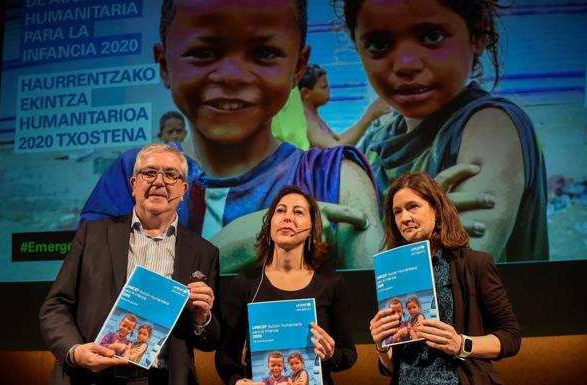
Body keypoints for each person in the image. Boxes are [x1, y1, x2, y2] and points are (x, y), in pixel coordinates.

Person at [80, 0, 383, 273]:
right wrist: (221, 254)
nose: (232, 75)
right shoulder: (130, 176)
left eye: (264, 53)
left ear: (297, 68)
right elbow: (93, 301)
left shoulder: (335, 178)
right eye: (203, 53)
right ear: (164, 65)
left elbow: (382, 298)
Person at [337, 0, 549, 262]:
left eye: (432, 37)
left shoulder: (491, 128)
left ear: (478, 35)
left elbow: (456, 278)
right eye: (378, 45)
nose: (406, 64)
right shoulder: (376, 141)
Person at [39, 144, 220, 385]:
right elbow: (55, 306)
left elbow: (210, 339)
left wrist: (202, 318)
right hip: (91, 377)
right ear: (134, 185)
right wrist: (74, 351)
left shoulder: (204, 252)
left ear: (184, 189)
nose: (159, 181)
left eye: (170, 174)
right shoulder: (92, 235)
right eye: (149, 172)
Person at [369, 172, 521, 384]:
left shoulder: (474, 264)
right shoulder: (393, 274)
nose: (404, 218)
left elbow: (511, 337)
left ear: (436, 210)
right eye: (397, 212)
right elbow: (393, 367)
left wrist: (461, 344)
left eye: (413, 206)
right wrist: (382, 346)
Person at [215, 185, 357, 385]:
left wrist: (331, 355)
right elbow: (225, 355)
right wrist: (236, 380)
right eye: (280, 211)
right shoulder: (245, 283)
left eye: (298, 212)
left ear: (311, 228)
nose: (287, 217)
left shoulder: (332, 283)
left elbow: (349, 354)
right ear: (270, 223)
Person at [298, 63, 391, 148]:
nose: (329, 90)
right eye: (324, 87)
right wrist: (368, 117)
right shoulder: (307, 122)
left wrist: (369, 117)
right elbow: (337, 149)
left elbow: (338, 140)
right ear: (305, 93)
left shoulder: (313, 116)